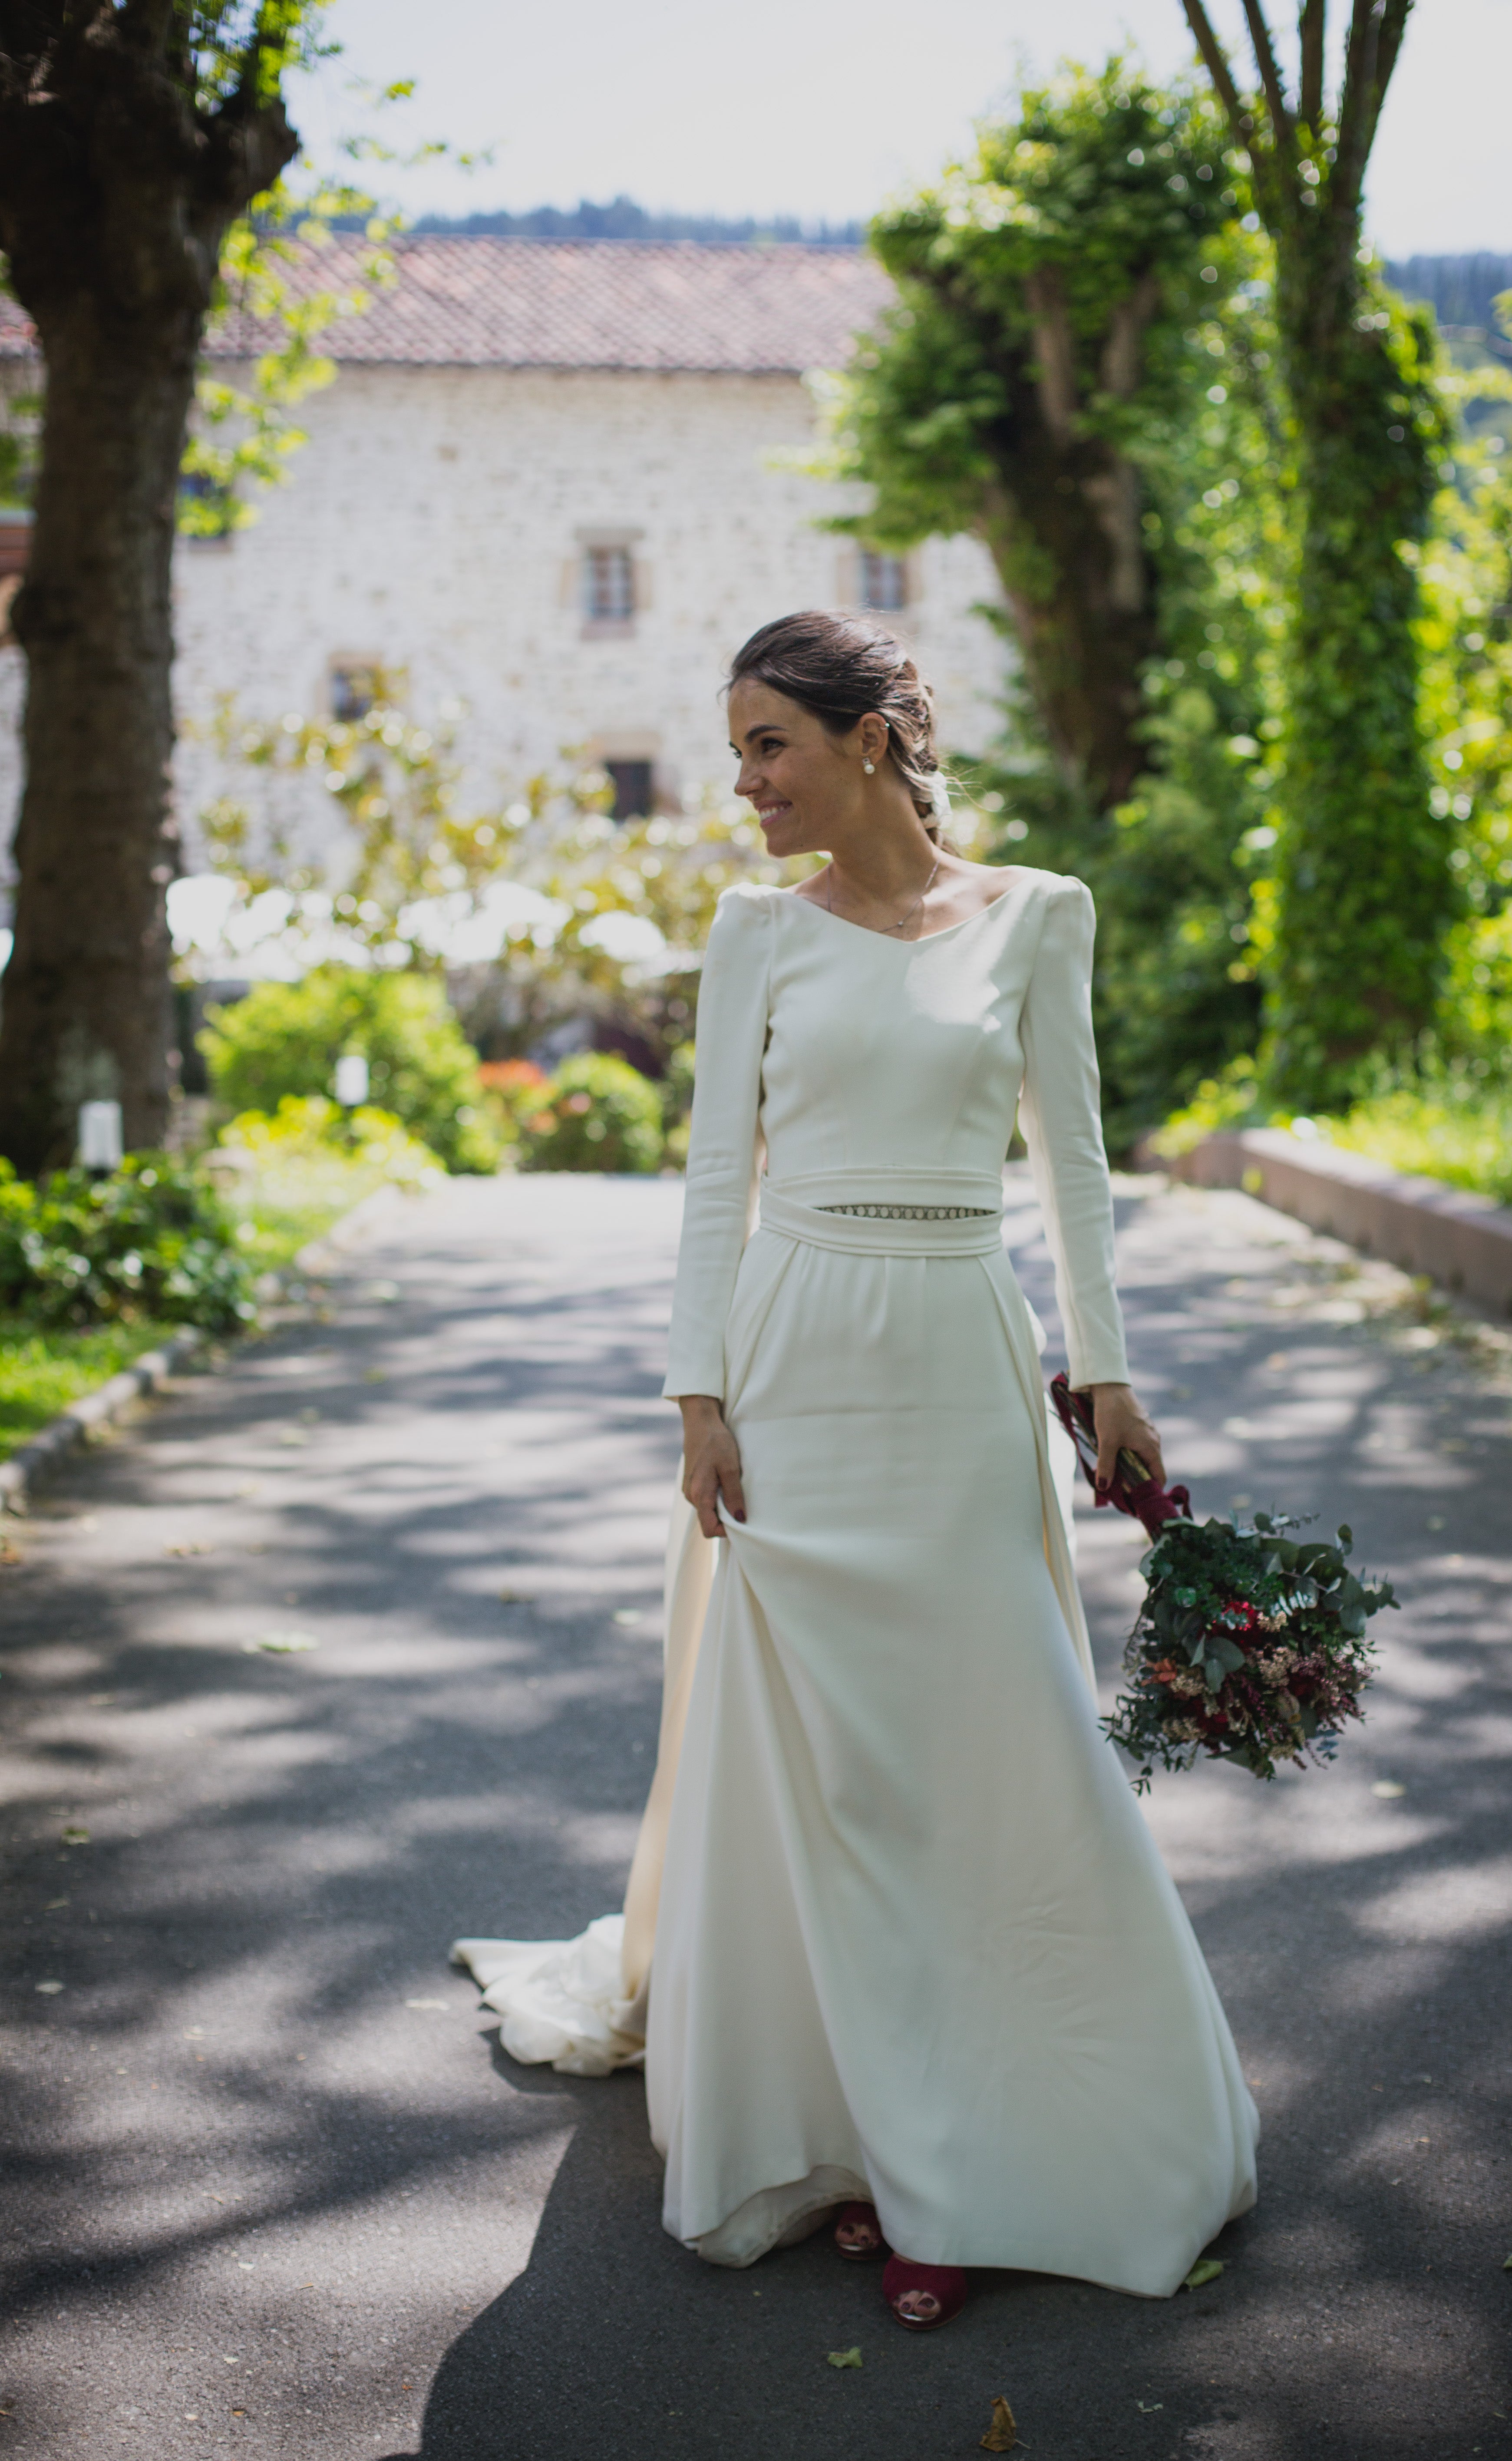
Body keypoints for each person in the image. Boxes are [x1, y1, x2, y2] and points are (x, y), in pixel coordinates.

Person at [454, 610, 1258, 2330]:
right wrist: (697, 1396)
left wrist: (1108, 1374)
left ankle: (1007, 2139)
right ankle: (869, 2141)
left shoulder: (1039, 918)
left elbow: (1082, 1171)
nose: (741, 781)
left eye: (768, 745)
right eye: (736, 746)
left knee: (985, 1753)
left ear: (873, 739)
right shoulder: (756, 932)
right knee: (832, 1779)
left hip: (962, 1360)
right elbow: (712, 1183)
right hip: (796, 1365)